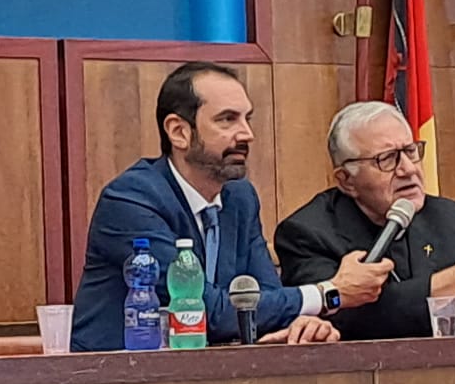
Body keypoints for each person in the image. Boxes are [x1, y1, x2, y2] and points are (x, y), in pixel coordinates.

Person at [71, 63, 393, 351]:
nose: (247, 134)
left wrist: (299, 325)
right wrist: (329, 293)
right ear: (179, 132)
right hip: (113, 383)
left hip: (207, 379)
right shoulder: (131, 200)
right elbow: (201, 310)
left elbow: (265, 296)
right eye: (227, 120)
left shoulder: (239, 198)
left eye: (247, 119)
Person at [275, 101, 455, 340]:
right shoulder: (307, 233)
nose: (408, 169)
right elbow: (350, 319)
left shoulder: (451, 220)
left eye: (410, 152)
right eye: (386, 159)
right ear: (346, 180)